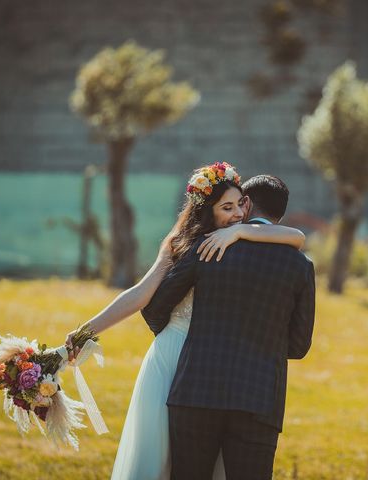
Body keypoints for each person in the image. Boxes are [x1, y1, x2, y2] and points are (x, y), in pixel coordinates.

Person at [63, 163, 308, 479]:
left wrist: (239, 230)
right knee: (163, 458)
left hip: (214, 364)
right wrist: (87, 330)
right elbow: (142, 295)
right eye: (227, 208)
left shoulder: (241, 238)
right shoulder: (185, 243)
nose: (236, 214)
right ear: (208, 209)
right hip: (177, 355)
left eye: (238, 207)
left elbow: (297, 236)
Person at [142, 174, 316, 480]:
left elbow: (155, 309)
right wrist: (264, 344)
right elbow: (299, 346)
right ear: (281, 214)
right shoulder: (300, 266)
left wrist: (185, 340)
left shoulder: (208, 247)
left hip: (195, 392)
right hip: (259, 398)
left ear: (246, 205)